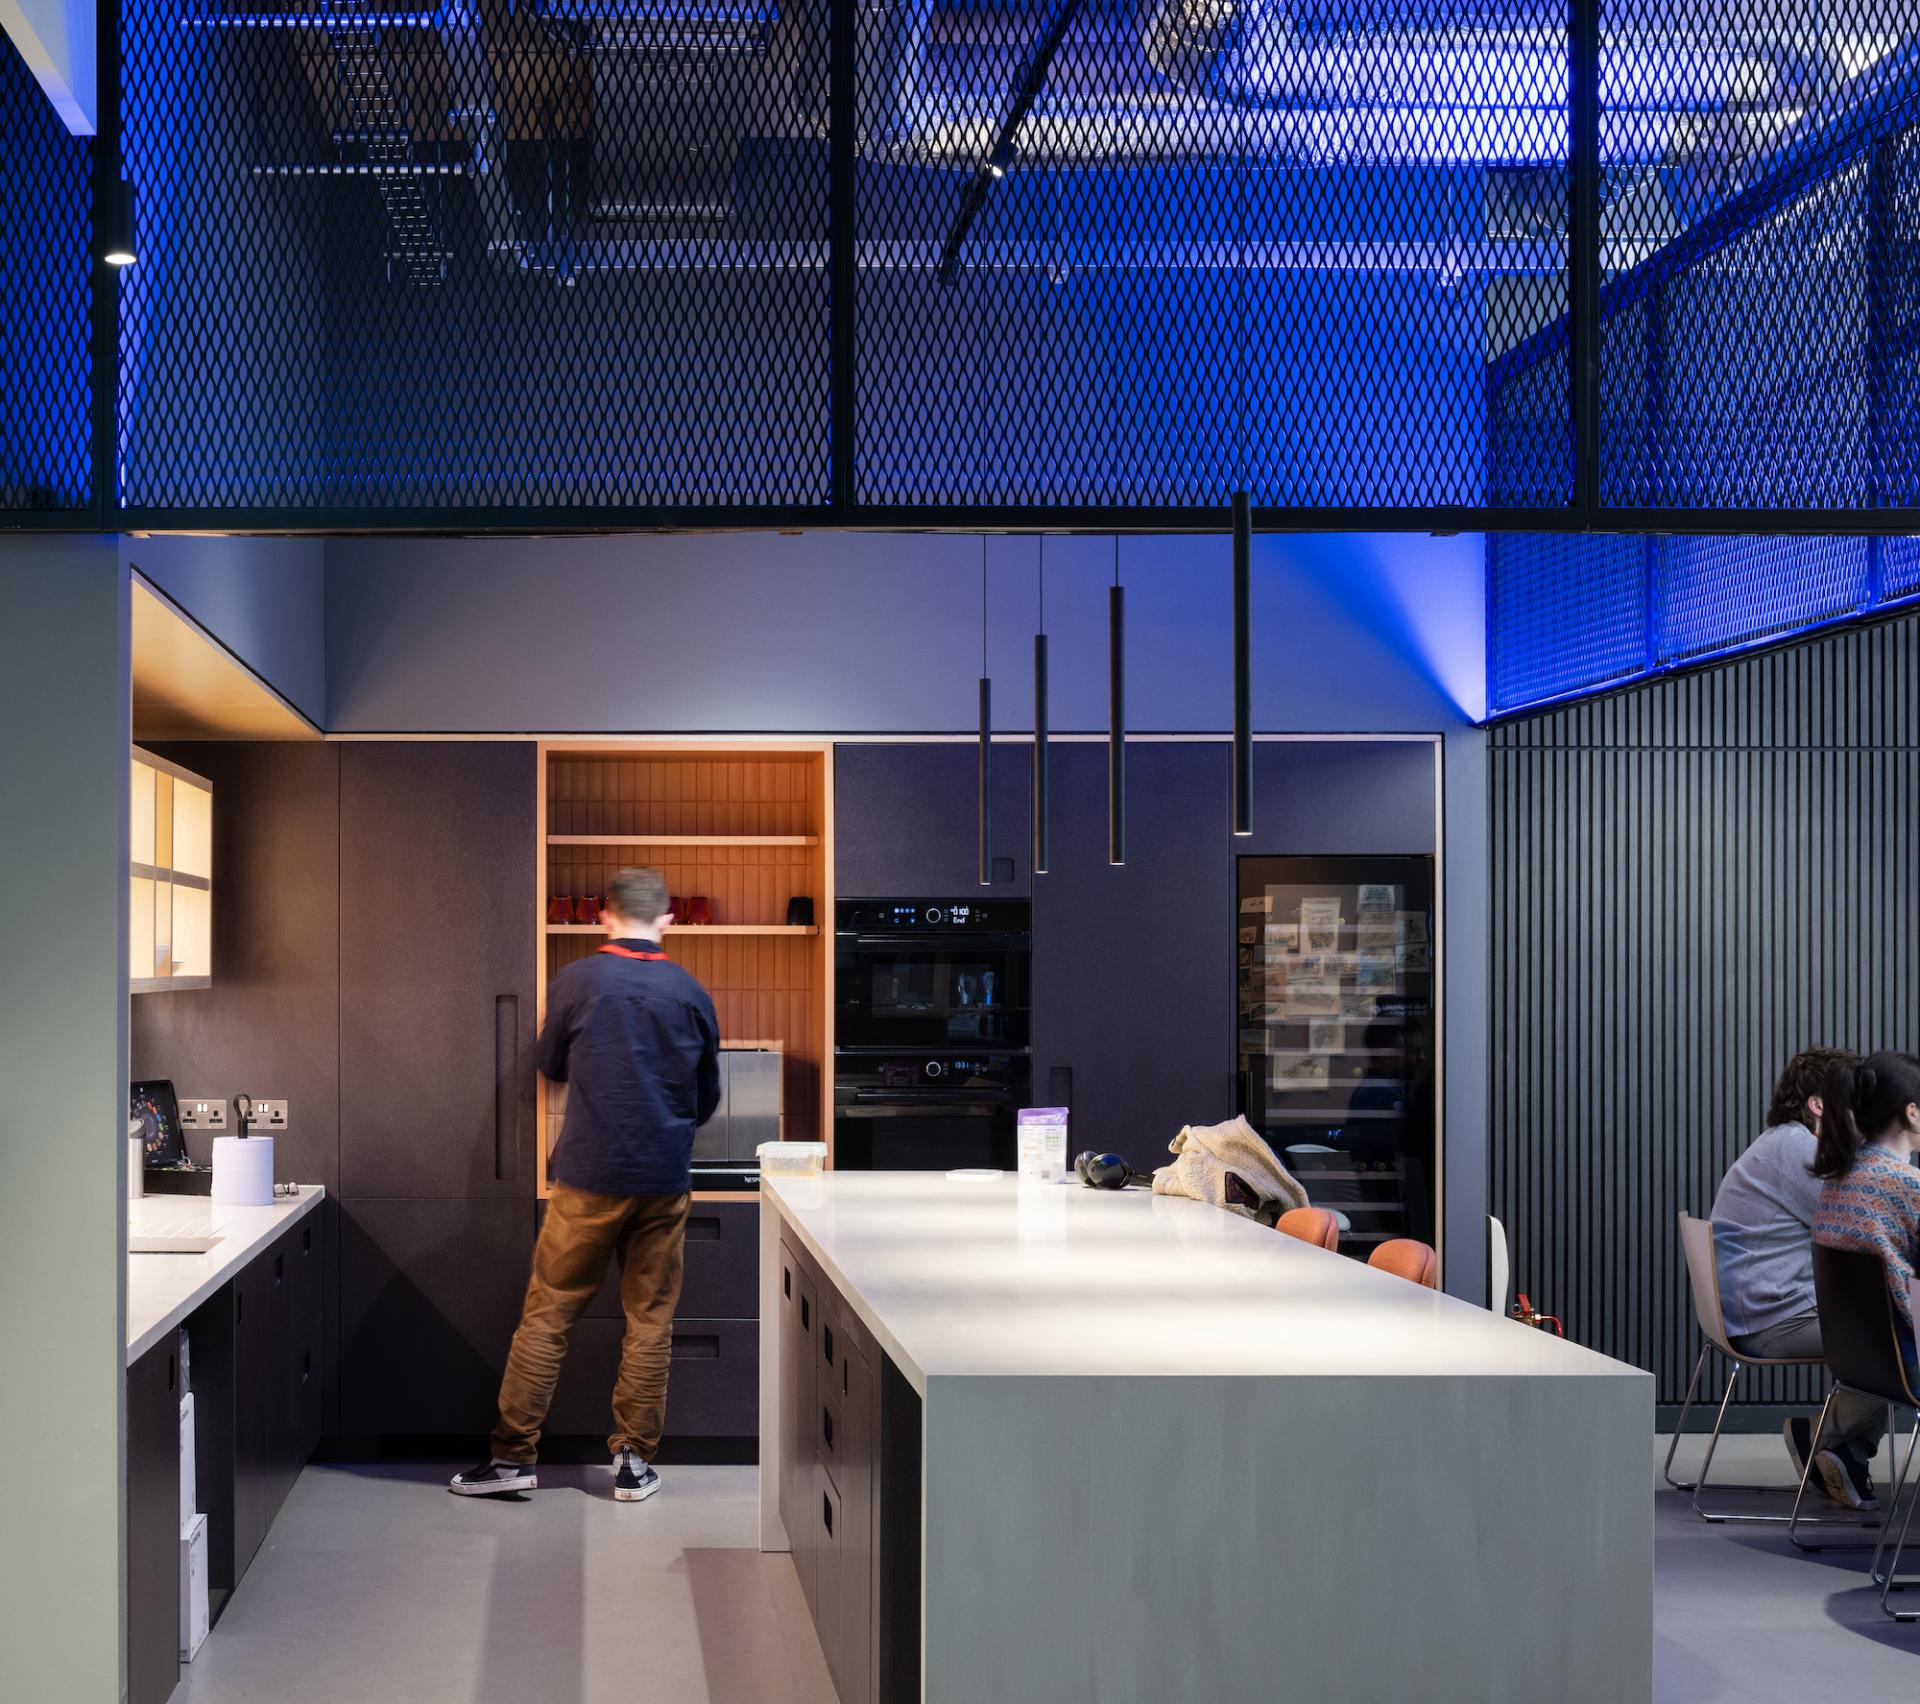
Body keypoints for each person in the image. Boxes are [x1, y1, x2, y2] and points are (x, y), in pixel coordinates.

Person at [451, 866, 720, 1503]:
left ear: (604, 915)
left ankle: (514, 1460)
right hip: (663, 1179)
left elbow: (547, 1065)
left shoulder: (577, 980)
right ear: (667, 921)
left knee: (548, 1316)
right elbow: (707, 1099)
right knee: (650, 1322)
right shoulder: (690, 991)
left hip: (588, 1177)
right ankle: (632, 1464)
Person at [1711, 1047, 1884, 1509]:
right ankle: (1826, 1440)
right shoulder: (1799, 1150)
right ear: (1819, 1104)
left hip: (1760, 1310)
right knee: (1893, 1337)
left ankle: (1840, 1451)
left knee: (1887, 1319)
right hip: (1769, 1321)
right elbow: (1864, 1226)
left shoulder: (1783, 1142)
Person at [1811, 1049, 1920, 1404]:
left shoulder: (1839, 1176)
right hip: (1906, 1358)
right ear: (1912, 1113)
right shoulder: (1907, 1184)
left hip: (1859, 1358)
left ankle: (1841, 1452)